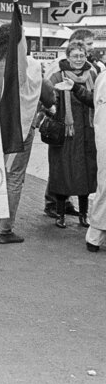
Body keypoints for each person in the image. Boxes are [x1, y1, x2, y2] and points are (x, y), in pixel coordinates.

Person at [0, 23, 55, 243]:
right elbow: (48, 96)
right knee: (14, 179)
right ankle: (5, 230)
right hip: (21, 127)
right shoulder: (32, 66)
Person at [42, 29, 94, 219]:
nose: (80, 58)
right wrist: (51, 105)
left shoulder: (93, 72)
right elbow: (47, 96)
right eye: (76, 55)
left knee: (84, 171)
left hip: (87, 132)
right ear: (69, 55)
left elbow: (95, 99)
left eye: (83, 54)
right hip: (65, 130)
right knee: (61, 170)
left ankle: (80, 211)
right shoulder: (57, 72)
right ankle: (55, 206)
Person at [85, 71, 106, 252]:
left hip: (102, 138)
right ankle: (95, 235)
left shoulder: (101, 77)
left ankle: (95, 236)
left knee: (104, 187)